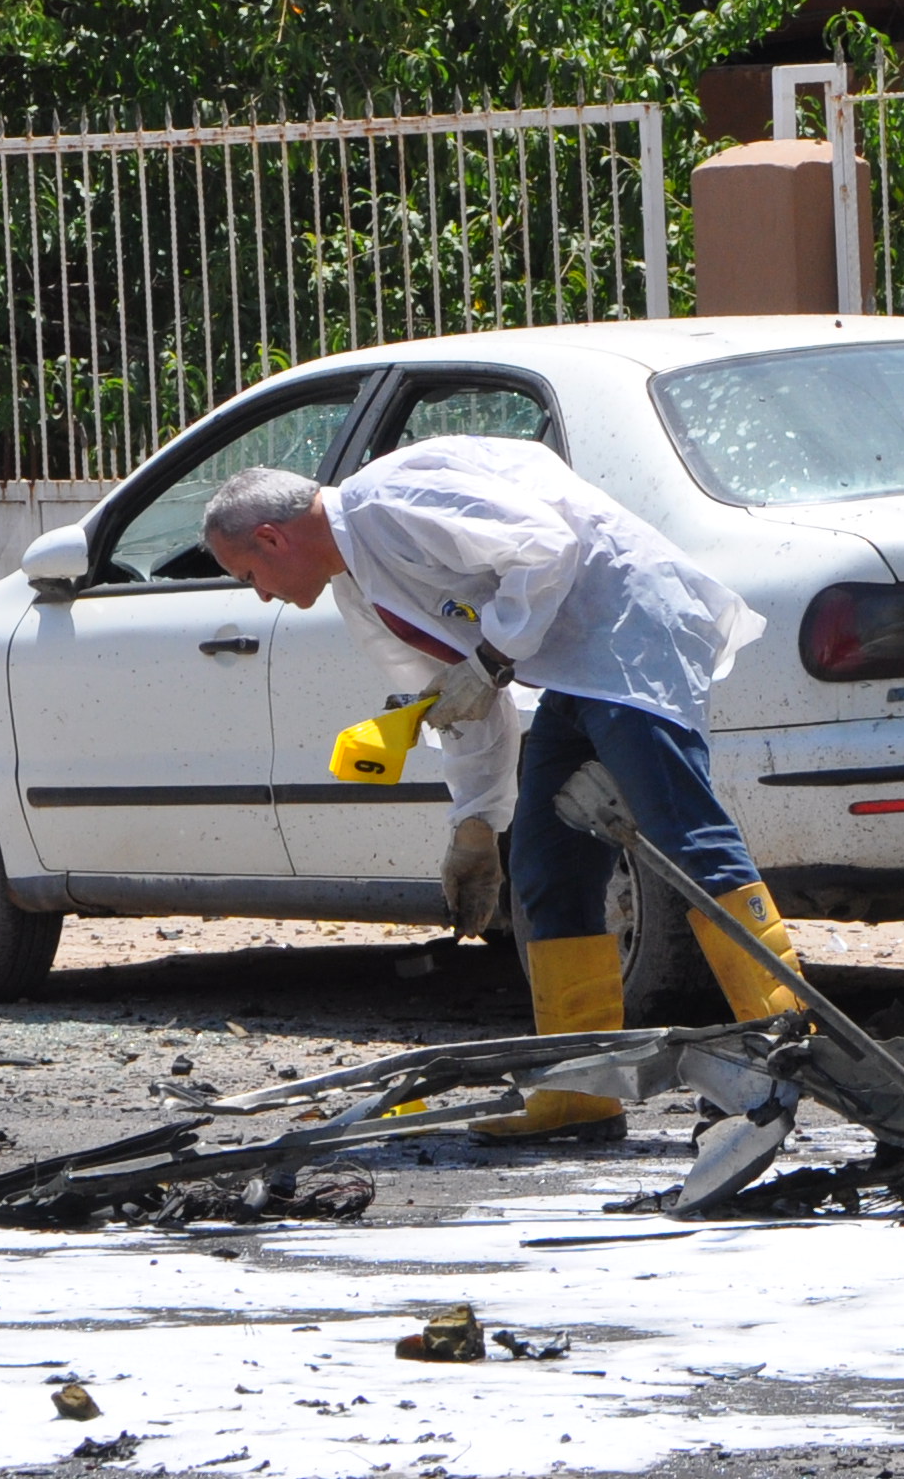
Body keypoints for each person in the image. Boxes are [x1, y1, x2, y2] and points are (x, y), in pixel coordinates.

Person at [204, 442, 799, 1136]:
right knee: (547, 871)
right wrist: (476, 823)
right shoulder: (359, 589)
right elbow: (450, 700)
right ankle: (581, 1092)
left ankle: (790, 1052)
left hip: (630, 637)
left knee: (686, 836)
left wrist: (490, 659)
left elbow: (544, 548)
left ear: (273, 537)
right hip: (573, 669)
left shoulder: (389, 502)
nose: (263, 594)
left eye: (251, 573)